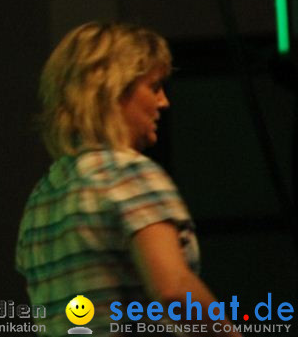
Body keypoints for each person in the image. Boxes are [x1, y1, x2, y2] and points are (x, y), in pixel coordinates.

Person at [15, 22, 225, 332]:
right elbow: (173, 288)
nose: (163, 101)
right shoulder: (129, 174)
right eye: (154, 87)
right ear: (113, 90)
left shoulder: (42, 197)